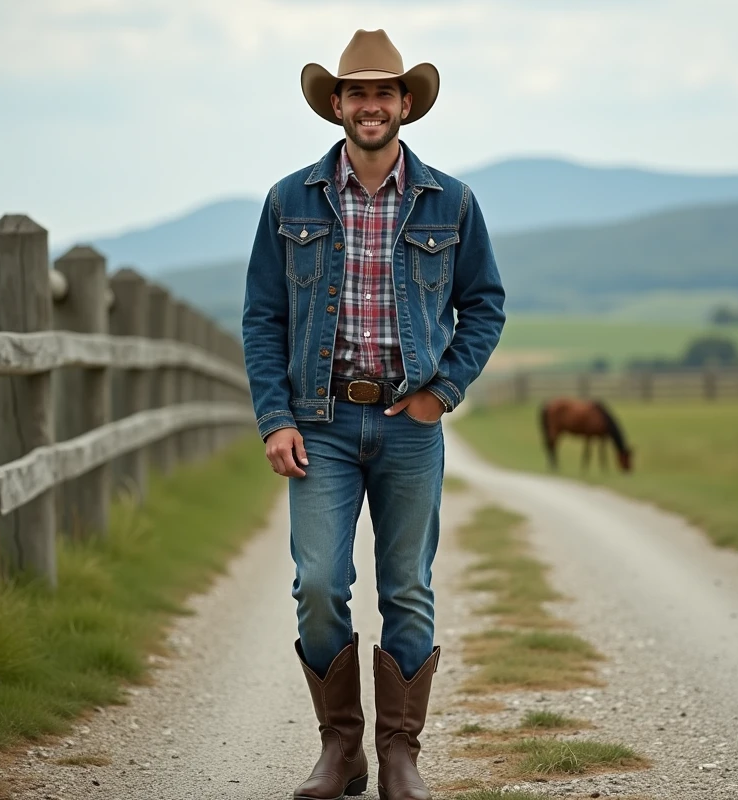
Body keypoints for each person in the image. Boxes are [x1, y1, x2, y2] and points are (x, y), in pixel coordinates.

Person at [241, 27, 505, 800]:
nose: (370, 106)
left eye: (384, 93)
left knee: (408, 588)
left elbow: (484, 305)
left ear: (405, 105)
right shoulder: (289, 200)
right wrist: (274, 417)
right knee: (319, 583)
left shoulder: (450, 201)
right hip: (318, 422)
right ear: (336, 104)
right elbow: (263, 317)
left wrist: (441, 391)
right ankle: (342, 750)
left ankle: (401, 757)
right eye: (357, 92)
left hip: (408, 426)